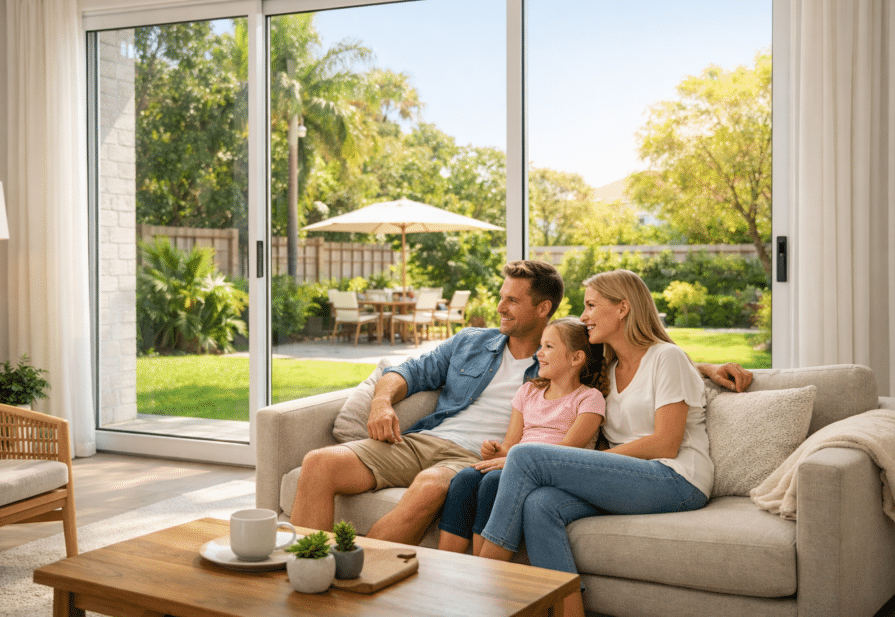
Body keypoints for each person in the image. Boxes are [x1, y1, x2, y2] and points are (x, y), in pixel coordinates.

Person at [289, 262, 752, 545]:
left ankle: (355, 572)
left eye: (512, 300)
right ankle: (312, 572)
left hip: (479, 456)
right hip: (424, 438)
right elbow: (409, 371)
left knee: (433, 485)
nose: (500, 307)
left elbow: (645, 354)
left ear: (544, 308)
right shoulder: (471, 342)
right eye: (501, 296)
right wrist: (381, 403)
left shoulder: (573, 353)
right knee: (317, 464)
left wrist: (706, 369)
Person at [478, 269, 730, 617]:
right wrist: (707, 367)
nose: (584, 317)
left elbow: (665, 443)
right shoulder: (609, 370)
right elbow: (568, 374)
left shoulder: (666, 358)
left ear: (623, 308)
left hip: (676, 479)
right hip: (628, 479)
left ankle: (476, 589)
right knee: (540, 504)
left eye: (592, 306)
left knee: (524, 457)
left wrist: (599, 460)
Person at [437, 317, 607, 556]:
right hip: (517, 464)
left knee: (493, 482)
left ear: (576, 358)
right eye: (541, 346)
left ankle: (478, 566)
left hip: (553, 472)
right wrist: (497, 451)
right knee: (465, 478)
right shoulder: (528, 392)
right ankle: (444, 561)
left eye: (549, 346)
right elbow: (510, 445)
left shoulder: (589, 399)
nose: (539, 353)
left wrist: (513, 461)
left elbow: (565, 452)